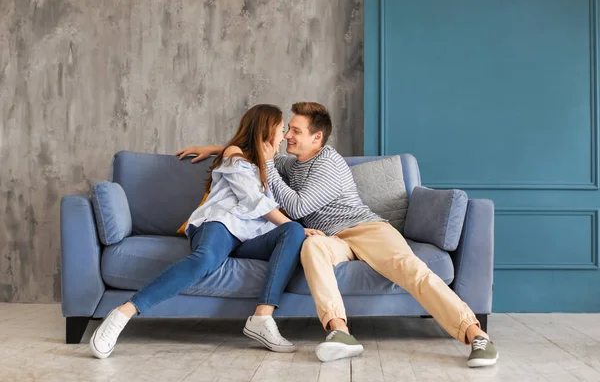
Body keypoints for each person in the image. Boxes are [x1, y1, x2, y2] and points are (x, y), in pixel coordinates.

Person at [177, 102, 499, 368]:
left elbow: (299, 206)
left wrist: (270, 165)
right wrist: (220, 149)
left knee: (410, 269)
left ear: (317, 138)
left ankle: (475, 335)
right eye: (287, 129)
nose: (287, 135)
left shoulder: (328, 162)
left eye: (295, 131)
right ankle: (340, 332)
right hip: (331, 238)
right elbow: (260, 149)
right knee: (312, 246)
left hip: (365, 229)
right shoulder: (293, 163)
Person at [90, 104, 318, 359]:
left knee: (293, 233)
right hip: (220, 224)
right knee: (207, 259)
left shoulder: (268, 162)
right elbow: (254, 199)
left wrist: (211, 149)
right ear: (265, 131)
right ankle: (124, 312)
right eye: (281, 129)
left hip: (250, 236)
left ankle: (262, 319)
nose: (284, 137)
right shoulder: (236, 155)